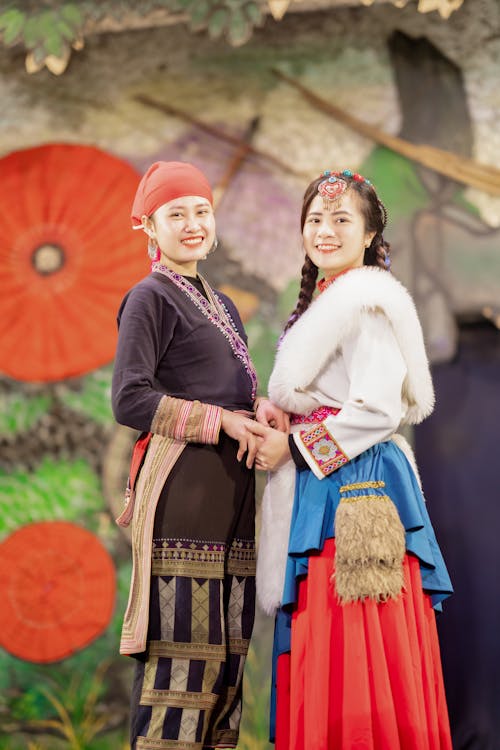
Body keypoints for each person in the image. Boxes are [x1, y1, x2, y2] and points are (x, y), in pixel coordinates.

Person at [252, 169, 454, 749]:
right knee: (331, 636)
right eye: (315, 219)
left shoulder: (365, 303)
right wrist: (286, 415)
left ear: (369, 236)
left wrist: (292, 444)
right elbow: (334, 397)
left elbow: (376, 408)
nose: (325, 230)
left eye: (341, 220)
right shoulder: (332, 299)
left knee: (354, 638)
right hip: (328, 480)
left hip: (353, 490)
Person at [111, 161, 285, 750]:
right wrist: (221, 422)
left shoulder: (220, 302)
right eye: (175, 214)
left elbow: (224, 389)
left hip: (230, 502)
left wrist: (258, 410)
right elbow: (129, 397)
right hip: (183, 504)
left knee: (224, 668)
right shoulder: (149, 298)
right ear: (149, 227)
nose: (191, 224)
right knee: (181, 669)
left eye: (201, 211)